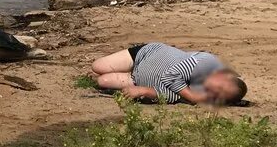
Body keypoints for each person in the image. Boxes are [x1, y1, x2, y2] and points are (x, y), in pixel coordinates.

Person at [90, 43, 247, 104]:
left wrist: (144, 90)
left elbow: (169, 95)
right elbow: (171, 76)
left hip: (136, 79)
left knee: (102, 81)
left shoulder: (199, 95)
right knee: (97, 66)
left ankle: (129, 74)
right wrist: (191, 97)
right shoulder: (206, 62)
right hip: (147, 53)